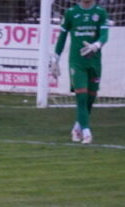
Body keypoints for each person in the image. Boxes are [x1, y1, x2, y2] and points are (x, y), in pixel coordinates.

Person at [51, 1, 110, 145]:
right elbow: (62, 37)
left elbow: (104, 35)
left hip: (94, 62)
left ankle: (77, 128)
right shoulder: (71, 13)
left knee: (90, 99)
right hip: (77, 62)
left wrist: (96, 45)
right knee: (81, 97)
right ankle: (86, 132)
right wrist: (55, 59)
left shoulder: (100, 13)